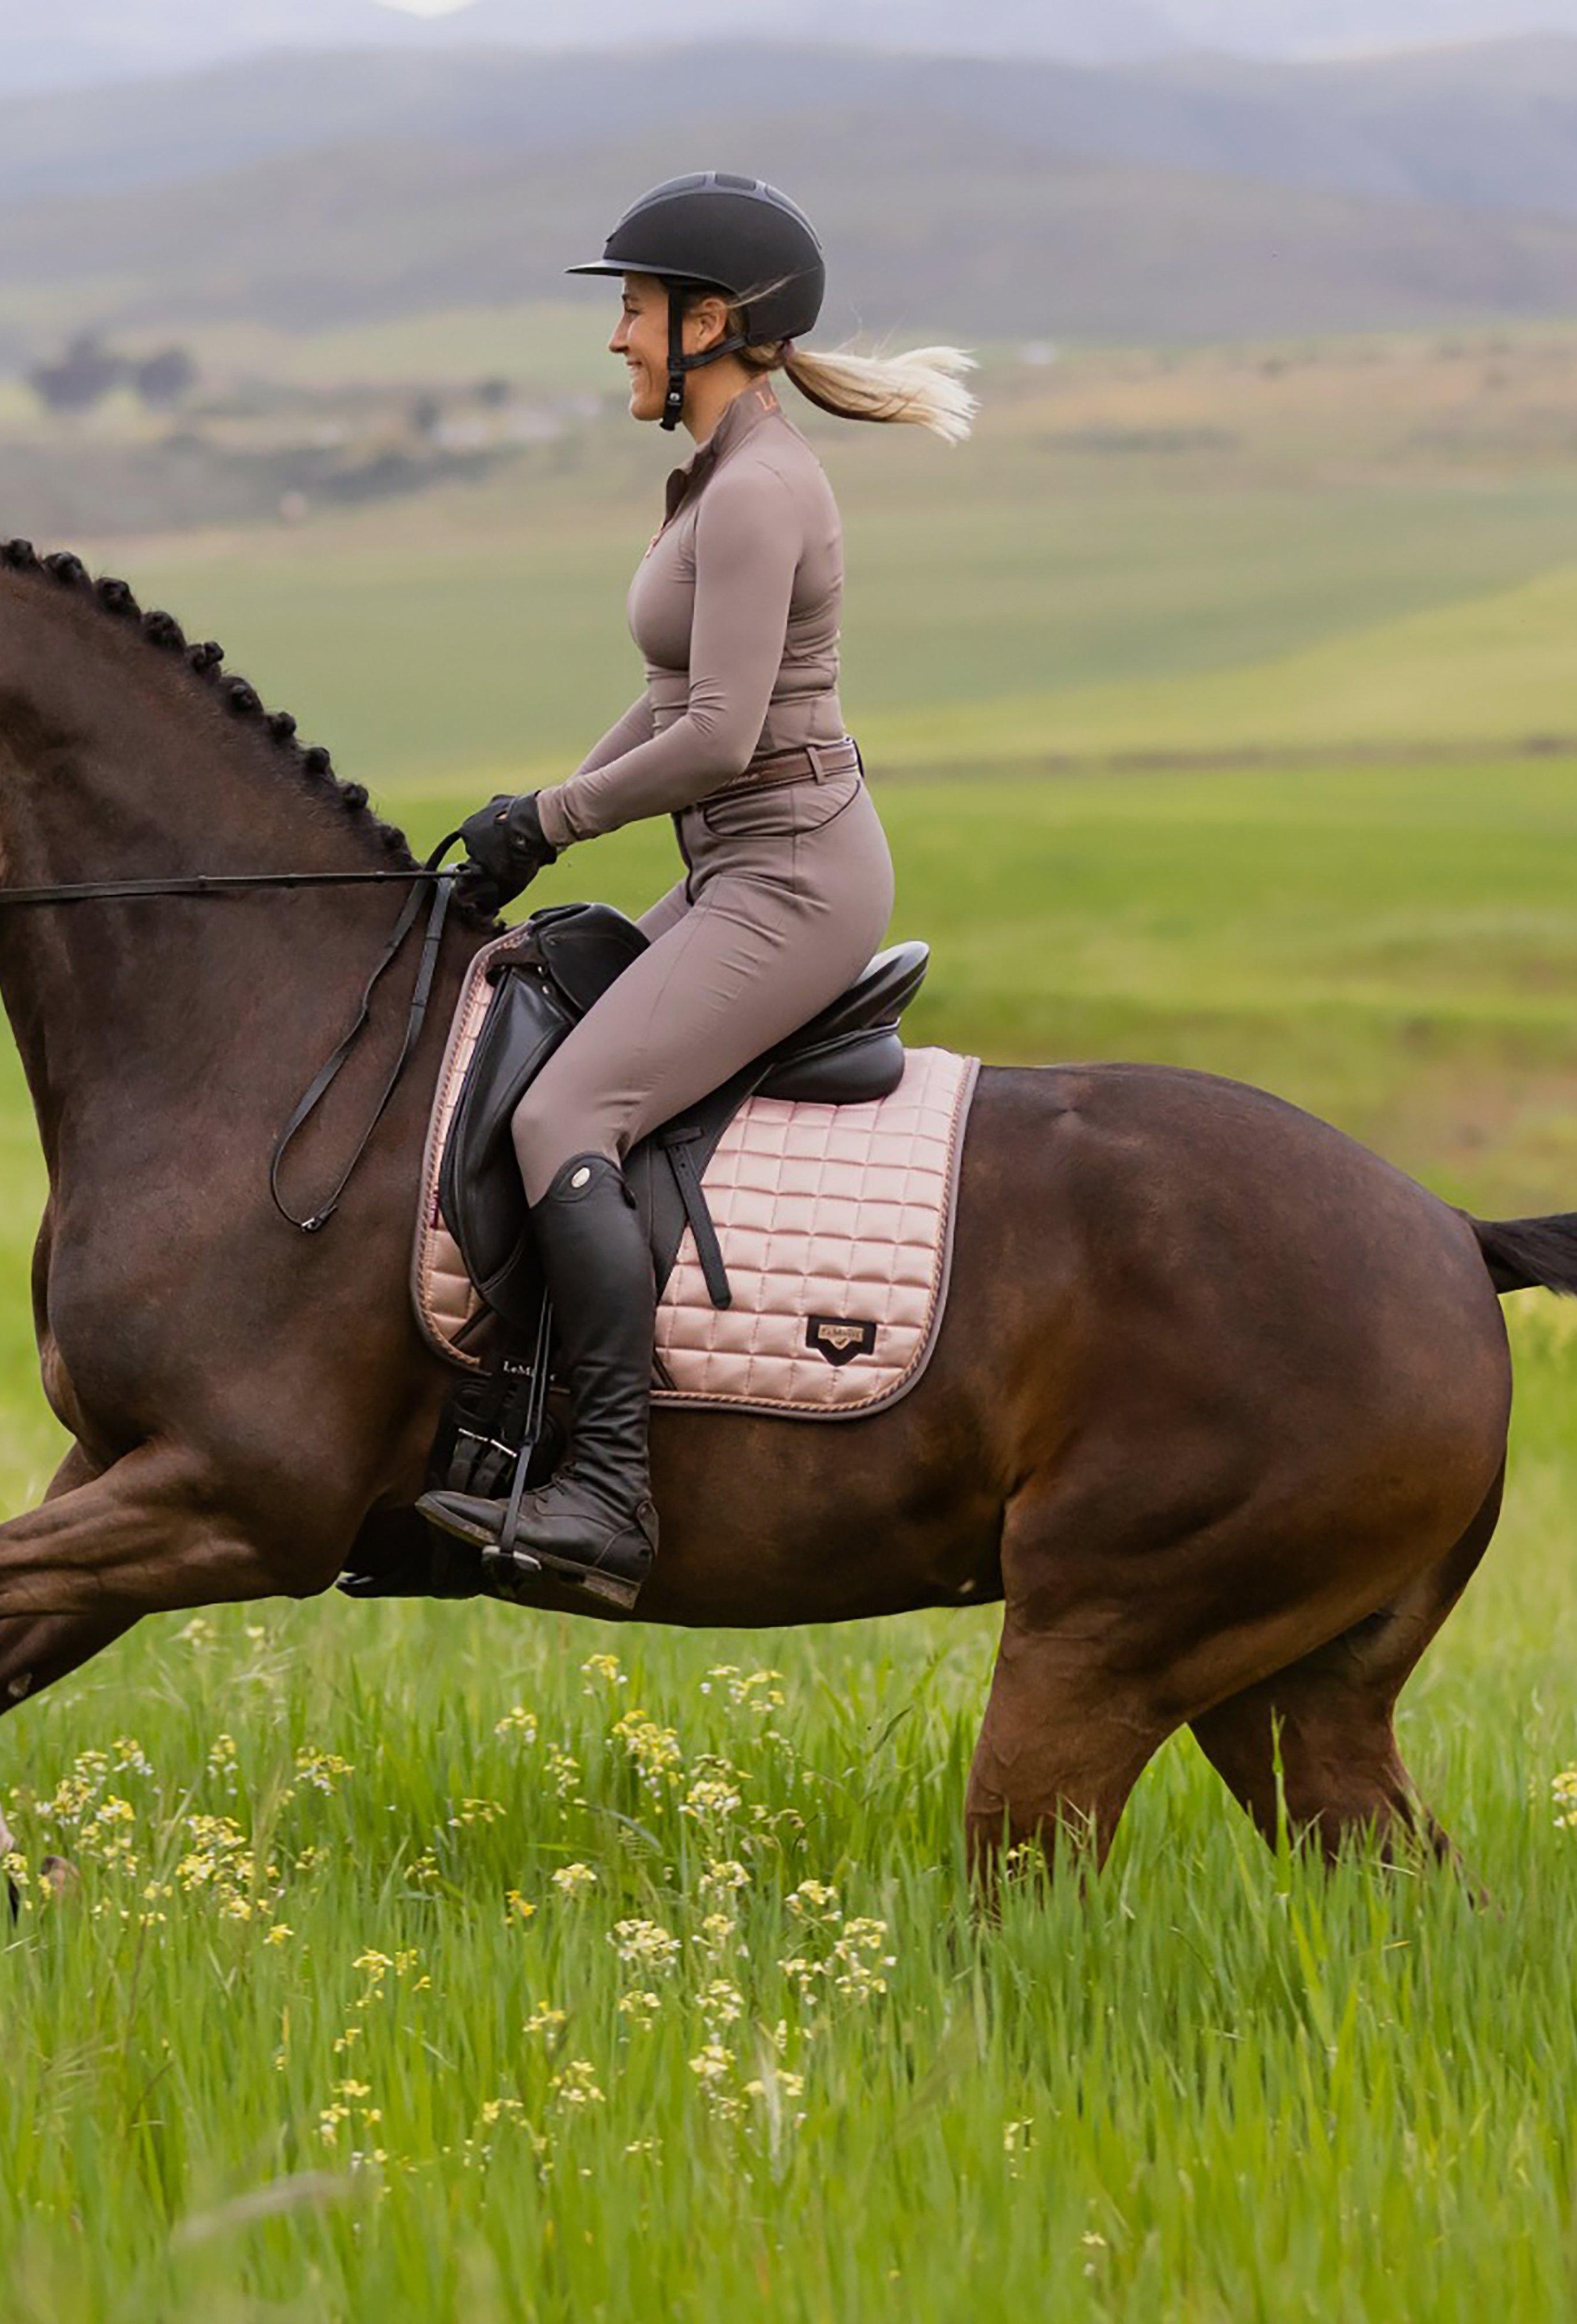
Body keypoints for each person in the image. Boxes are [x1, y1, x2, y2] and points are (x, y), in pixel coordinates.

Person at [417, 172, 977, 1606]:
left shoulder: (758, 490)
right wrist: (537, 818)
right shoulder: (723, 478)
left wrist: (551, 816)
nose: (616, 336)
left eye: (634, 308)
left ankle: (608, 1488)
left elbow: (720, 737)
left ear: (708, 323)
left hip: (789, 882)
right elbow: (672, 696)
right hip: (739, 866)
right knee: (538, 1025)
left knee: (565, 1114)